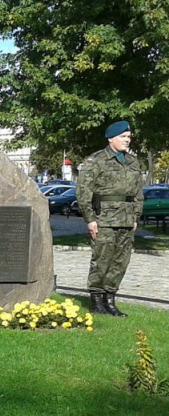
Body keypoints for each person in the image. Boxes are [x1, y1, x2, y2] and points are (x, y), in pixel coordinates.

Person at [75, 120, 144, 317]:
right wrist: (90, 218)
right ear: (111, 138)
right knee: (102, 259)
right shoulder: (96, 160)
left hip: (126, 219)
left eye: (129, 137)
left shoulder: (132, 162)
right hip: (103, 219)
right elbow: (83, 192)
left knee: (120, 261)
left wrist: (136, 216)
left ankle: (110, 300)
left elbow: (138, 193)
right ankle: (97, 300)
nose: (127, 140)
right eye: (123, 137)